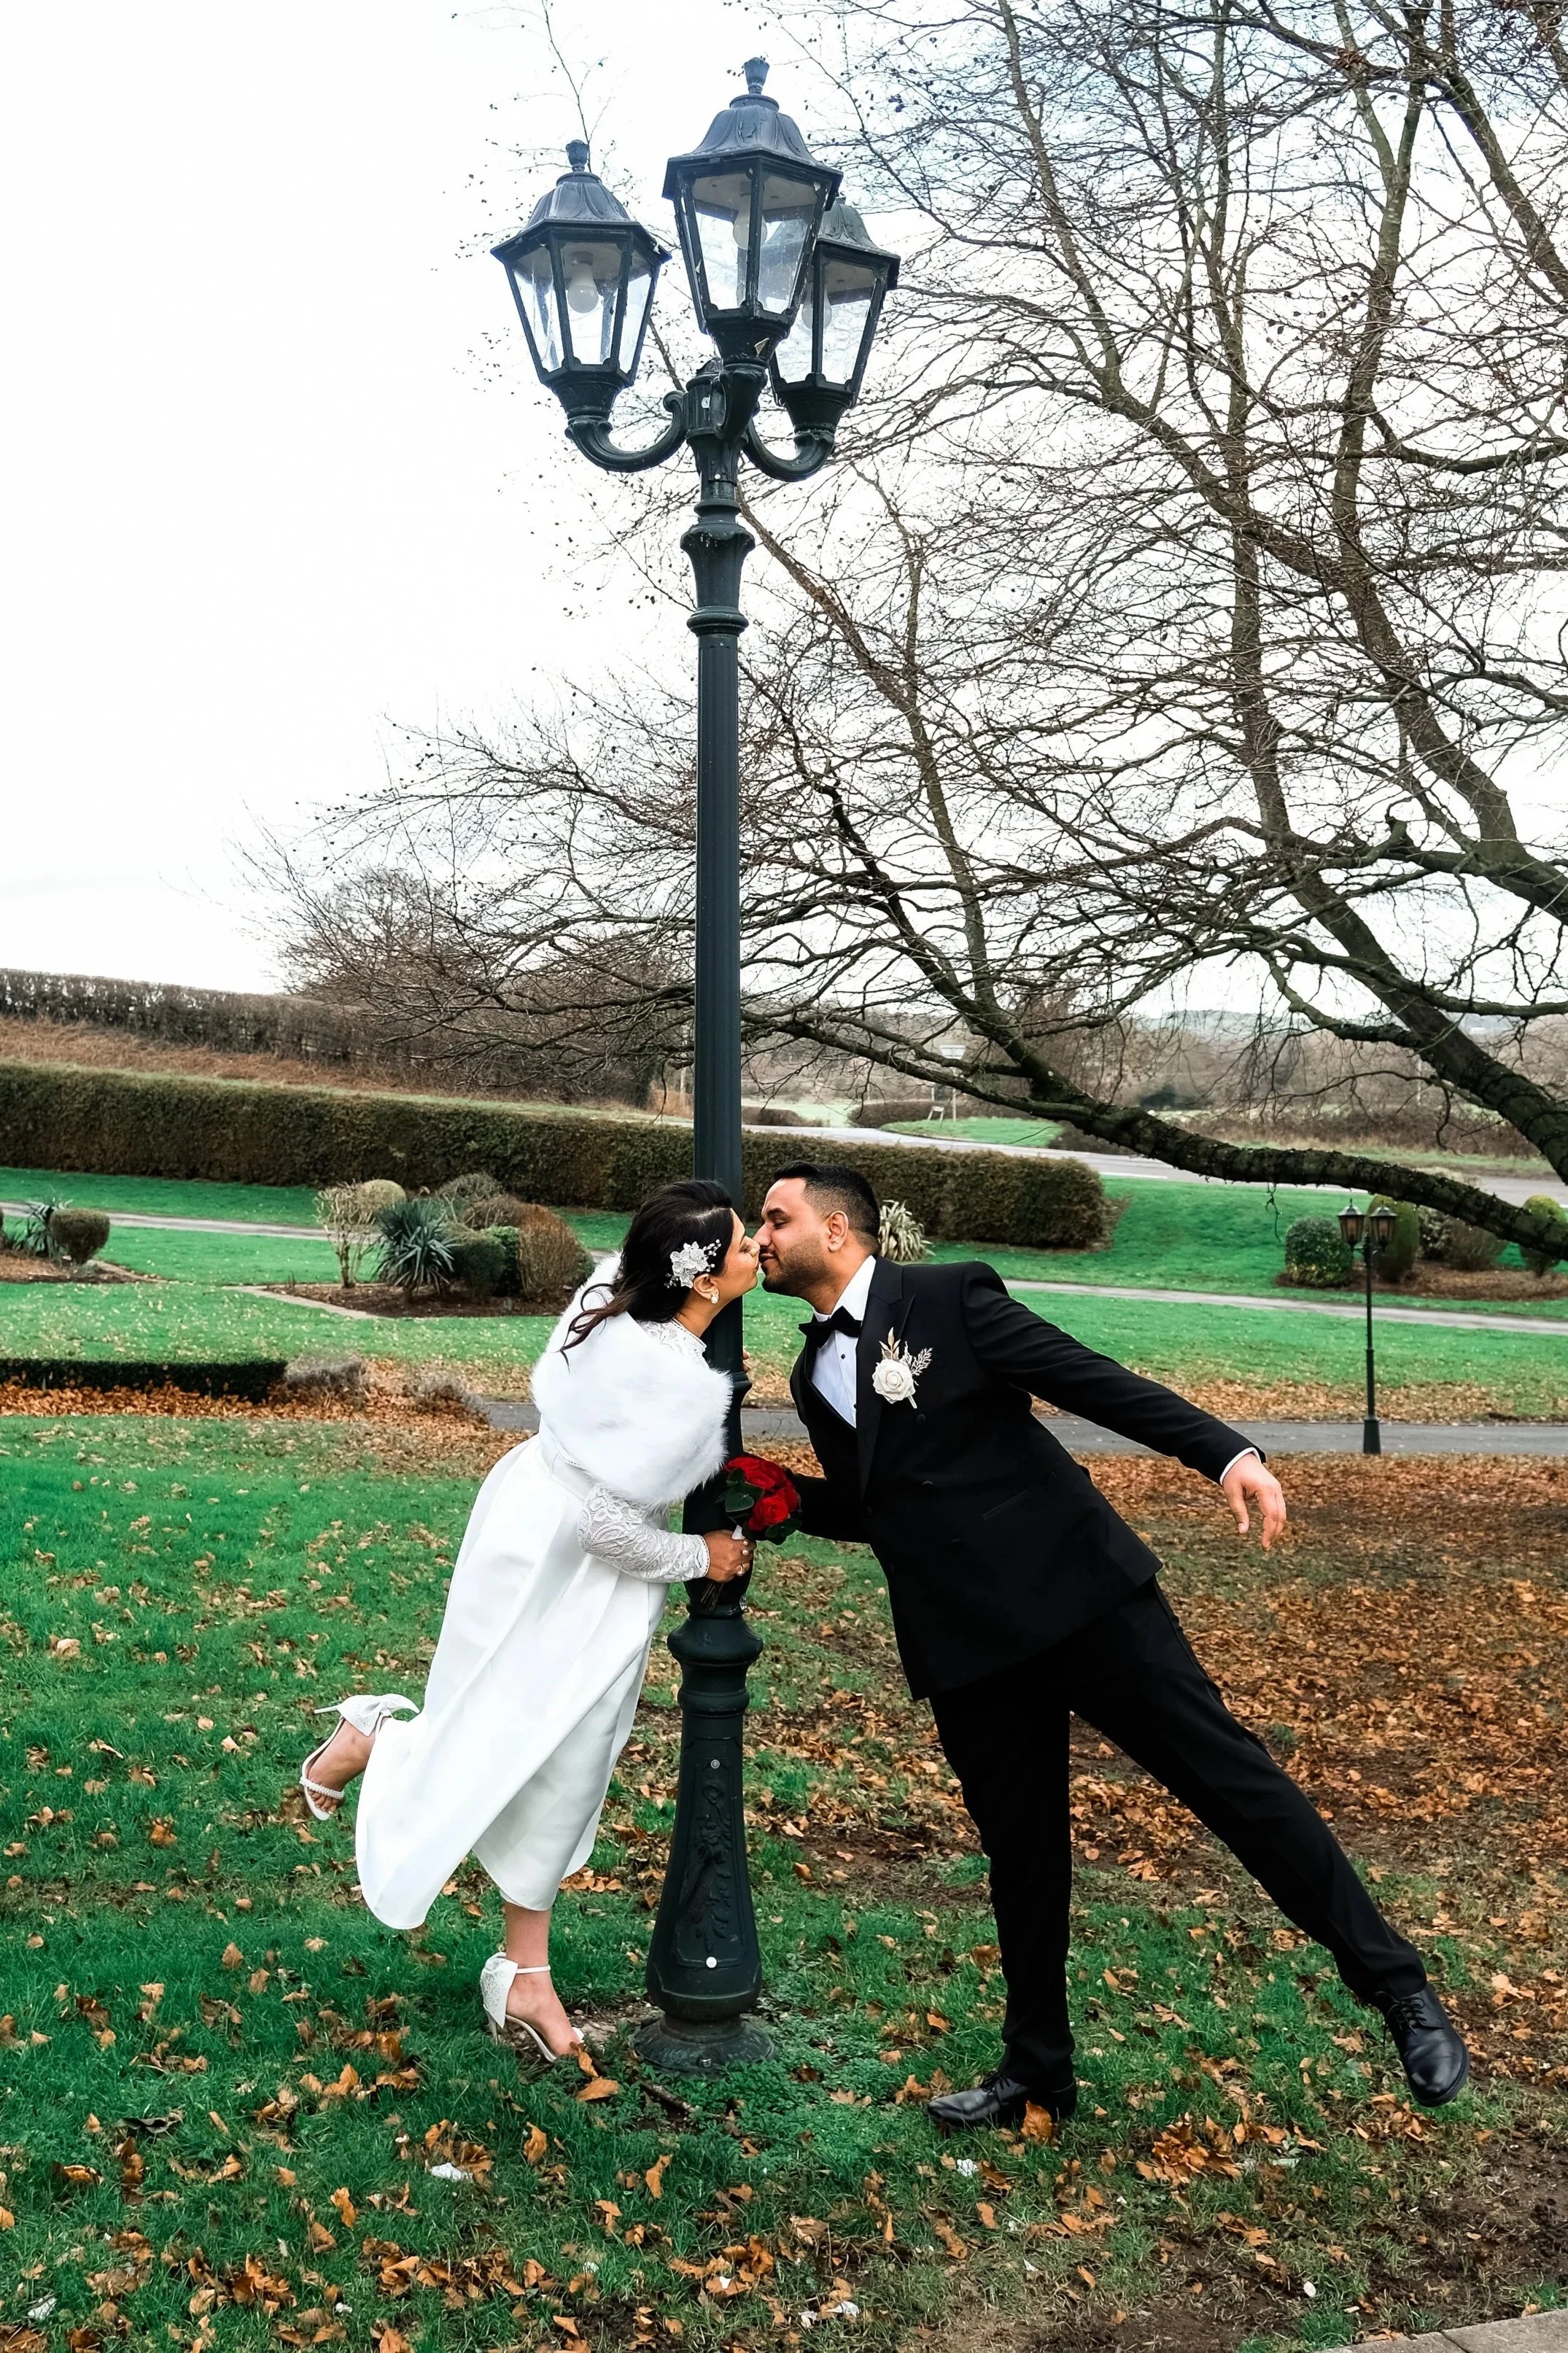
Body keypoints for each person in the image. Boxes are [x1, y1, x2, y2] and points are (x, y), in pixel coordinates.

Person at [757, 1160, 1468, 2131]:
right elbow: (883, 1504)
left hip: (1081, 1601)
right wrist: (790, 1497)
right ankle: (1035, 2072)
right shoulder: (810, 1372)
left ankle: (1398, 1990)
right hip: (967, 1646)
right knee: (1022, 1859)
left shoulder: (947, 1295)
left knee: (1236, 1787)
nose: (759, 1236)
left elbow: (1088, 1377)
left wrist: (1226, 1451)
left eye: (775, 1217)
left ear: (838, 1231)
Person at [293, 1180, 756, 2066]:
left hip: (523, 1514)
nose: (753, 1254)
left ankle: (524, 1969)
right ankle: (377, 1736)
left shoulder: (607, 1295)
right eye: (738, 1244)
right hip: (575, 1568)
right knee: (529, 1739)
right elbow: (608, 1527)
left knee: (557, 1759)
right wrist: (705, 1558)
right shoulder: (674, 1388)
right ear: (699, 1279)